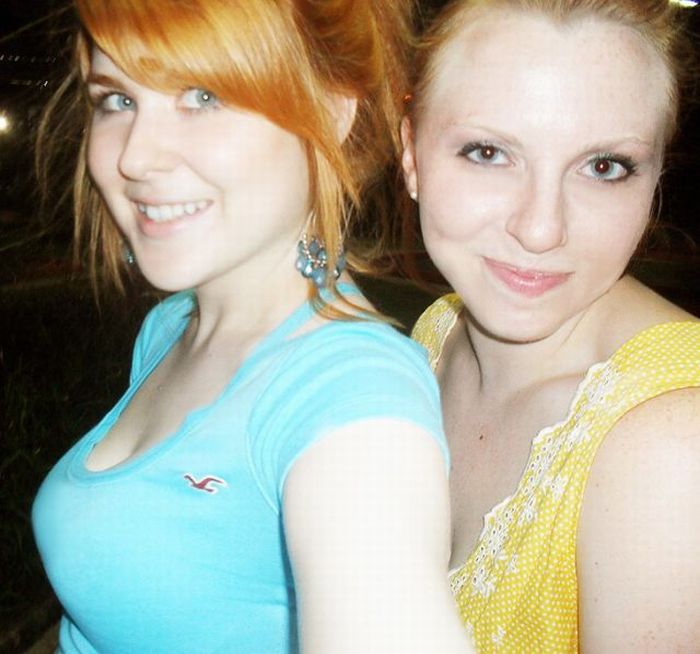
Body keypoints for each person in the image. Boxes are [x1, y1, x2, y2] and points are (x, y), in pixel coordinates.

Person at [31, 1, 473, 652]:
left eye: (202, 96)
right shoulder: (172, 327)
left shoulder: (353, 398)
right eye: (117, 100)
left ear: (331, 110)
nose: (136, 158)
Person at [400, 0, 700, 651]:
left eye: (603, 166)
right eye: (488, 152)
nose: (541, 229)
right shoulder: (438, 333)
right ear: (411, 155)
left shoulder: (673, 446)